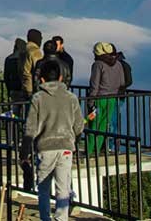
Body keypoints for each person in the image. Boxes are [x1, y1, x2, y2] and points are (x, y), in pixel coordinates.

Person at [22, 59, 85, 221]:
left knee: (43, 188)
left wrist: (25, 152)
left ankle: (45, 218)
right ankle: (61, 218)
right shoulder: (71, 98)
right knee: (63, 188)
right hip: (65, 147)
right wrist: (74, 142)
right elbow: (79, 126)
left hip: (45, 148)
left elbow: (30, 128)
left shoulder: (38, 98)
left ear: (41, 79)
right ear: (60, 78)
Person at [86, 42, 125, 154]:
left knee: (92, 126)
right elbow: (122, 82)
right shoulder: (118, 64)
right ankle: (97, 150)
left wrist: (91, 101)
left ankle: (89, 152)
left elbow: (94, 85)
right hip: (112, 99)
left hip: (99, 100)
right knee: (103, 126)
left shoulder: (98, 65)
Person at [20, 29, 44, 100]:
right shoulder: (35, 51)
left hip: (23, 86)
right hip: (32, 89)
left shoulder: (23, 50)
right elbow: (38, 69)